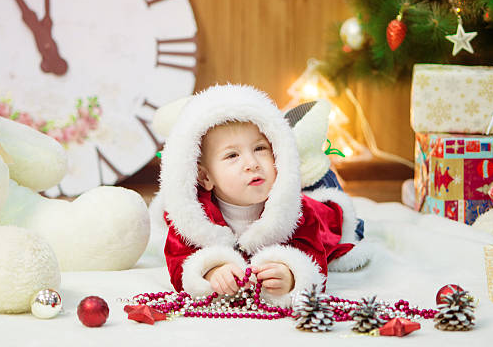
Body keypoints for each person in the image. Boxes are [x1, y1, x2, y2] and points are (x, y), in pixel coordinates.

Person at [156, 85, 370, 307]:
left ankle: (308, 157)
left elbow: (312, 256)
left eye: (260, 149)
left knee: (338, 209)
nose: (252, 164)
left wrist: (291, 274)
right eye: (232, 155)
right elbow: (179, 261)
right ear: (205, 177)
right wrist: (211, 270)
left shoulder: (296, 211)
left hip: (322, 209)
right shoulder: (194, 219)